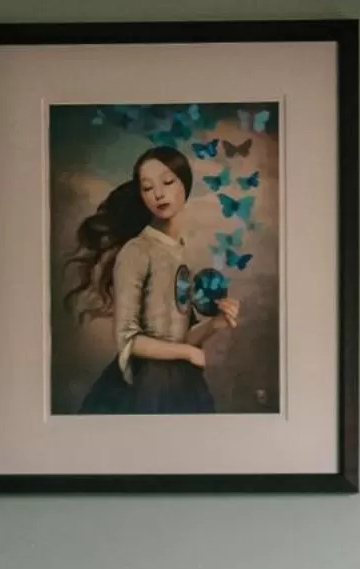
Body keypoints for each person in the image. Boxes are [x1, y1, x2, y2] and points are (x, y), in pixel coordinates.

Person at [64, 146, 242, 413]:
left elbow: (177, 336)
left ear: (186, 184)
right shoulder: (136, 251)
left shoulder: (179, 251)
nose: (158, 193)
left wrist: (214, 324)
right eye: (147, 188)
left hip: (181, 381)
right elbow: (128, 339)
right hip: (147, 384)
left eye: (168, 182)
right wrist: (187, 354)